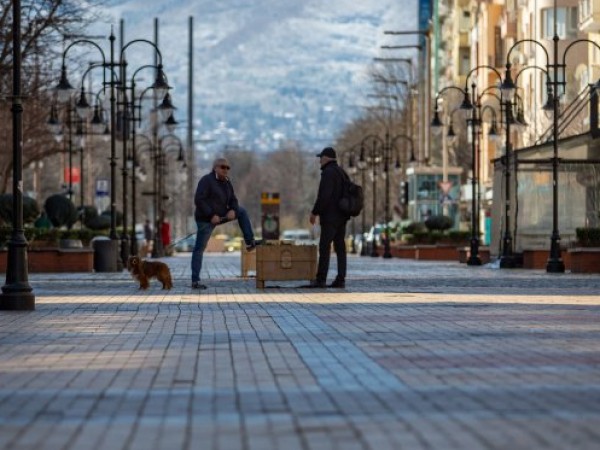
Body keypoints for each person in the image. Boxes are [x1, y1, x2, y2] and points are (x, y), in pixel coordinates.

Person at [191, 157, 257, 289]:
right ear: (215, 168)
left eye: (228, 168)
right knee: (199, 248)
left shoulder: (227, 182)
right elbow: (199, 200)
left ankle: (250, 242)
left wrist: (233, 210)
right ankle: (195, 280)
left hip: (221, 215)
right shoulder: (206, 180)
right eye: (222, 167)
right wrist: (211, 215)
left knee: (241, 211)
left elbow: (233, 199)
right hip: (205, 218)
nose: (225, 170)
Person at [303, 146, 349, 288]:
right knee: (340, 247)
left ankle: (321, 279)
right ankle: (340, 278)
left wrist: (314, 212)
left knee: (324, 247)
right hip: (342, 216)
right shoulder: (342, 173)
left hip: (330, 217)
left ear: (327, 158)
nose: (319, 161)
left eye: (321, 158)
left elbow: (324, 196)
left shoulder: (328, 173)